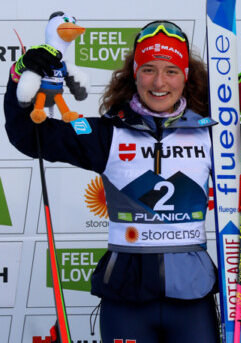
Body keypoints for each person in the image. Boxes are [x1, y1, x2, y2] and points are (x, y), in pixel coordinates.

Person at [4, 21, 219, 343]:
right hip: (125, 297)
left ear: (186, 76)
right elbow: (27, 135)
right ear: (134, 73)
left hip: (192, 294)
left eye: (171, 70)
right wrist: (20, 76)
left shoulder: (214, 134)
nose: (159, 82)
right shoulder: (107, 133)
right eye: (148, 69)